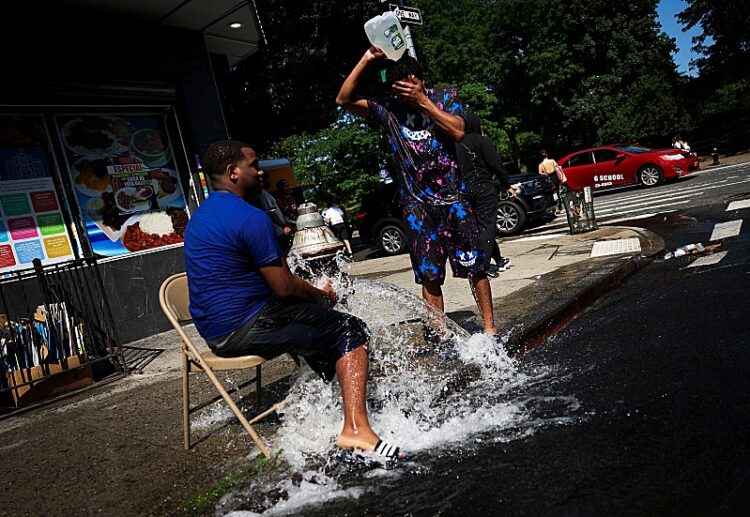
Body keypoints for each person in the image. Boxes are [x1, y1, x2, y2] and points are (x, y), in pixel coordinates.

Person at [184, 140, 407, 459]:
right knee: (349, 329)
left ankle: (340, 407)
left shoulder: (199, 219)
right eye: (254, 165)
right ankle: (356, 430)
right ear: (234, 172)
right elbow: (285, 288)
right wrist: (323, 295)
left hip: (214, 333)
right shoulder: (250, 217)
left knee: (316, 328)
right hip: (246, 327)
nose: (261, 172)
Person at [336, 47, 498, 338]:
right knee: (429, 274)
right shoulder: (388, 108)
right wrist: (367, 59)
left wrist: (424, 102)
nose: (409, 89)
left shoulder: (444, 97)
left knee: (476, 267)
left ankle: (489, 328)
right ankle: (441, 334)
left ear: (422, 80)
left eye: (414, 82)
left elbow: (459, 131)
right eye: (402, 84)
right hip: (417, 207)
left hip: (455, 201)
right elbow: (343, 99)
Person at [456, 114, 515, 278]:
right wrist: (507, 184)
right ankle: (484, 267)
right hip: (484, 187)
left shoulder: (456, 144)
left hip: (464, 191)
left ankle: (499, 259)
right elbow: (495, 164)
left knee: (480, 226)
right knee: (487, 226)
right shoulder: (482, 141)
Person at [251, 173, 293, 254]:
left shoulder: (264, 193)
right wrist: (284, 226)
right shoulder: (262, 194)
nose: (270, 181)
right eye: (268, 179)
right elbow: (271, 213)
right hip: (277, 234)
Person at [538, 149, 565, 214]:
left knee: (552, 194)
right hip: (555, 177)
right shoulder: (552, 161)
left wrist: (545, 173)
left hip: (549, 179)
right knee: (558, 193)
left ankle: (555, 209)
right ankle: (561, 208)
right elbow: (557, 167)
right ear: (546, 154)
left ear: (541, 157)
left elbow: (540, 173)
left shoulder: (541, 165)